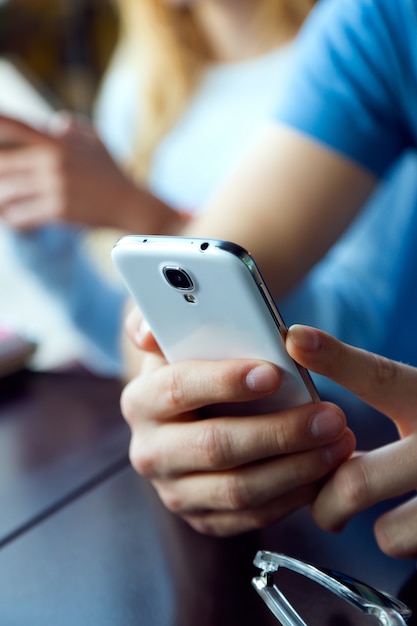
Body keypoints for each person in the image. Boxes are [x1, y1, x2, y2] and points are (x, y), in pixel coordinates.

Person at [120, 0, 417, 560]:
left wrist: (133, 210)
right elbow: (159, 307)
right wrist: (168, 406)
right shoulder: (376, 23)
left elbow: (362, 311)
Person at [1, 0, 417, 393]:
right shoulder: (141, 92)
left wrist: (143, 216)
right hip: (235, 427)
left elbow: (357, 338)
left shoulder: (356, 59)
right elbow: (142, 353)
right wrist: (50, 252)